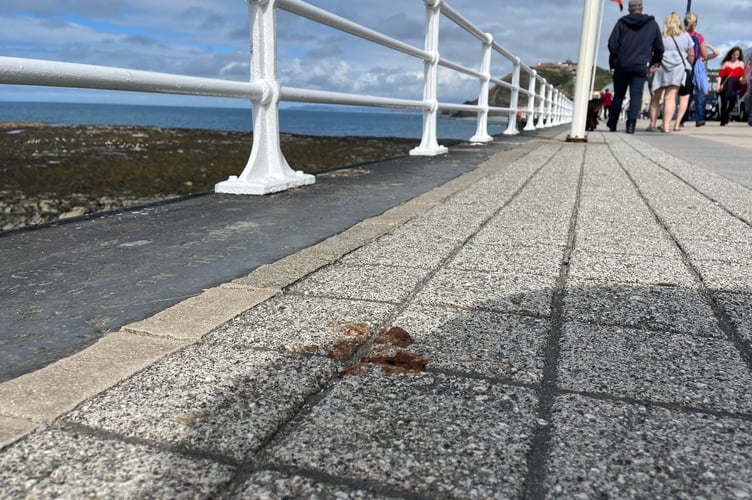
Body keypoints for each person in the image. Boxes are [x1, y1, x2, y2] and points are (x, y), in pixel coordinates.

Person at [607, 0, 664, 134]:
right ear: (641, 8)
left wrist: (617, 57)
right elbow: (659, 47)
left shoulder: (621, 23)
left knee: (618, 95)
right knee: (636, 96)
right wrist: (656, 61)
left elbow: (612, 44)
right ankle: (631, 124)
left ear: (629, 9)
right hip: (640, 65)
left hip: (622, 65)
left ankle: (613, 122)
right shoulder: (652, 25)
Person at [647, 12, 694, 132]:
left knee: (656, 97)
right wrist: (689, 64)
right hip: (678, 68)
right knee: (670, 96)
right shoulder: (686, 36)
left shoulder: (661, 36)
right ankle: (666, 126)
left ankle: (652, 124)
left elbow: (653, 52)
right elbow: (691, 54)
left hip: (661, 67)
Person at [675, 12, 719, 128]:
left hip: (683, 65)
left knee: (685, 93)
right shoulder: (699, 37)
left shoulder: (680, 35)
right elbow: (704, 55)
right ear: (696, 23)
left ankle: (681, 119)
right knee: (698, 92)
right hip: (696, 65)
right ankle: (699, 118)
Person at [717, 46, 746, 126]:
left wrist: (741, 81)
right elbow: (720, 75)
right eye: (734, 54)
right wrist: (718, 86)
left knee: (732, 103)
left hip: (734, 84)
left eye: (737, 55)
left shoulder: (741, 63)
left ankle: (726, 114)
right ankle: (723, 120)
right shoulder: (726, 63)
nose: (735, 56)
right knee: (724, 103)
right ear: (731, 54)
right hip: (726, 84)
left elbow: (741, 75)